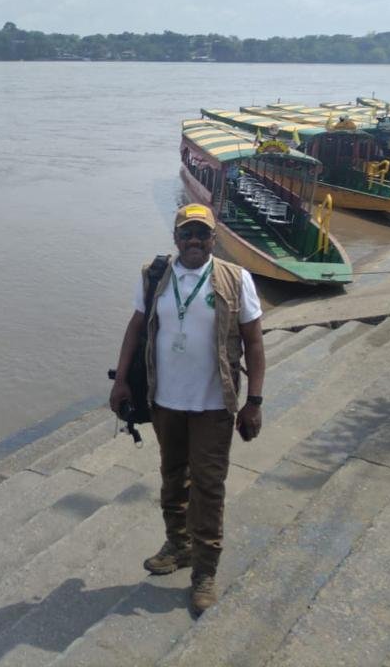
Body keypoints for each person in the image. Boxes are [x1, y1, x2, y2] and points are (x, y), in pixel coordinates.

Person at [109, 202, 266, 616]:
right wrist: (122, 380)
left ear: (213, 239)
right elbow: (136, 328)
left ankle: (205, 571)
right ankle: (178, 545)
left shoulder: (235, 278)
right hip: (165, 402)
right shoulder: (155, 276)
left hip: (215, 405)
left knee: (209, 487)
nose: (194, 241)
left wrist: (254, 402)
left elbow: (254, 342)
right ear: (175, 238)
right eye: (187, 234)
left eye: (202, 234)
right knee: (172, 477)